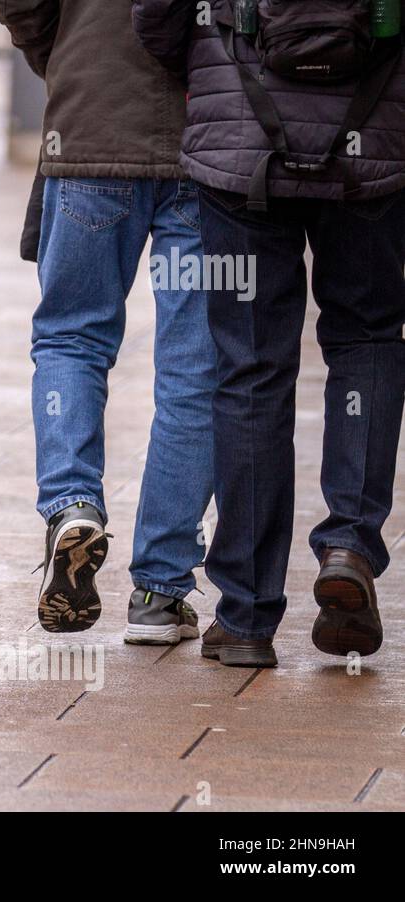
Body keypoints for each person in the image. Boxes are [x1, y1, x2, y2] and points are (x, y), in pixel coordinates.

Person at [133, 0, 405, 666]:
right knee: (367, 338)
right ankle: (349, 545)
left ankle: (247, 616)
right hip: (374, 127)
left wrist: (211, 65)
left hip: (241, 131)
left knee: (249, 366)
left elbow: (157, 15)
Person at [0, 0, 215, 645]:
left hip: (91, 120)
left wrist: (61, 50)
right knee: (194, 367)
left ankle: (72, 506)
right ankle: (160, 592)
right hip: (206, 133)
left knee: (72, 339)